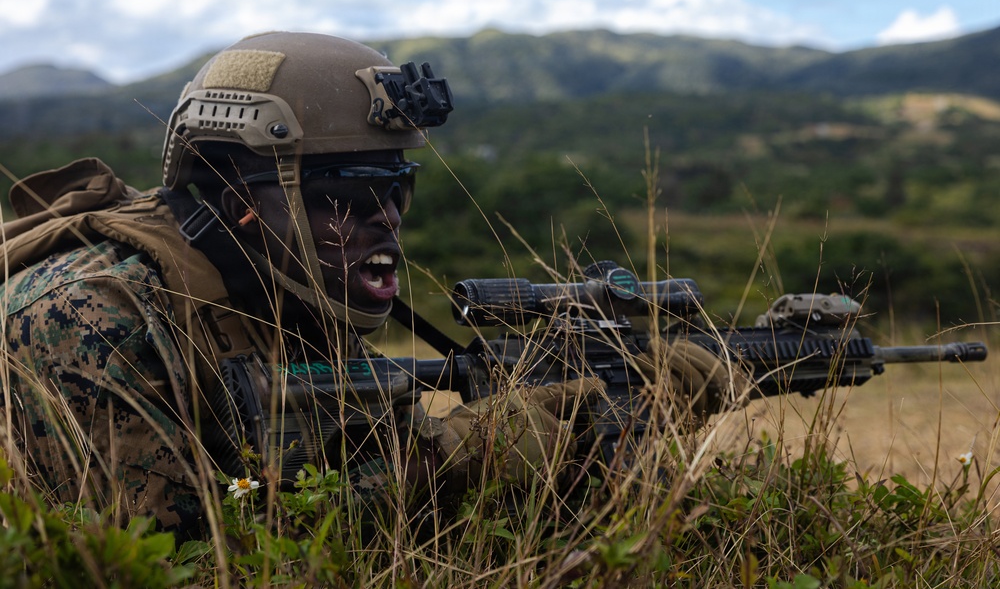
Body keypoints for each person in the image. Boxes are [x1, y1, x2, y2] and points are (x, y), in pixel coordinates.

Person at [0, 31, 743, 539]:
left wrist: (627, 399)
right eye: (348, 195)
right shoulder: (90, 319)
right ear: (240, 203)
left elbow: (337, 465)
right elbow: (192, 547)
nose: (385, 219)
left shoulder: (278, 286)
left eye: (397, 188)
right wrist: (480, 449)